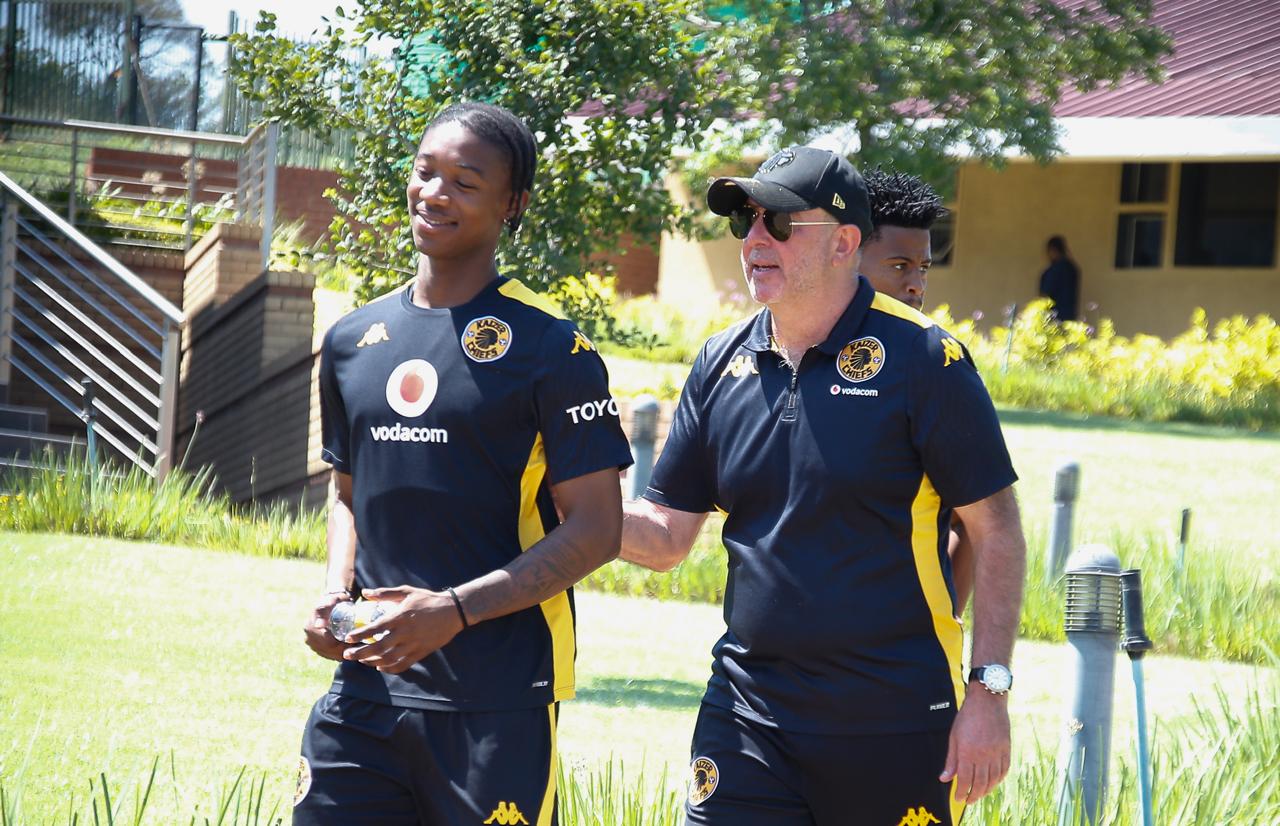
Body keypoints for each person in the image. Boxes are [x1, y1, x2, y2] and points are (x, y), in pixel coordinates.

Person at [621, 147, 1026, 825]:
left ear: (843, 242)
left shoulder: (928, 360)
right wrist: (573, 504)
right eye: (746, 222)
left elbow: (997, 531)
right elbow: (664, 538)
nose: (753, 240)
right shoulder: (720, 362)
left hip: (892, 721)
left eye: (778, 222)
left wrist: (988, 695)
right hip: (746, 715)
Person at [296, 101, 634, 825]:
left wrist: (451, 611)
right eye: (425, 172)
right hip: (366, 690)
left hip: (498, 699)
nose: (435, 192)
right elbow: (349, 492)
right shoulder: (353, 340)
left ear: (513, 205)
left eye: (465, 181)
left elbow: (599, 530)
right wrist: (333, 594)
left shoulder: (553, 351)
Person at [859, 169, 974, 611]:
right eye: (899, 266)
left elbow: (974, 520)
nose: (917, 284)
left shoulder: (937, 361)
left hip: (898, 662)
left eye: (923, 268)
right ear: (847, 253)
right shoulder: (791, 350)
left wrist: (944, 617)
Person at [1038, 235, 1080, 322]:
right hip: (1070, 316)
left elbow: (1045, 295)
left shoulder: (1054, 271)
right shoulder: (1073, 269)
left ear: (1053, 250)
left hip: (1053, 316)